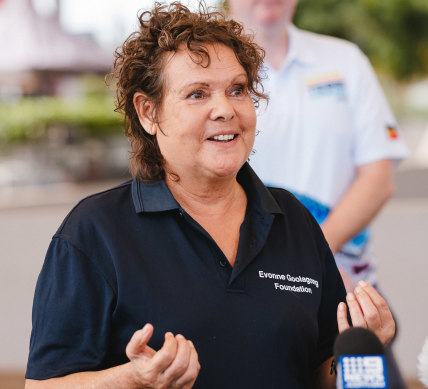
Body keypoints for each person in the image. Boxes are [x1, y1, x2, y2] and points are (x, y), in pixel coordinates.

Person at [24, 3, 396, 388]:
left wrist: (359, 353)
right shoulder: (95, 230)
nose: (224, 109)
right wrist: (134, 379)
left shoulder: (292, 218)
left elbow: (319, 373)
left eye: (237, 90)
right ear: (148, 112)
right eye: (198, 94)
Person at [227, 2, 409, 388]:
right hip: (244, 296)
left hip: (346, 291)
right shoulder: (207, 70)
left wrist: (314, 260)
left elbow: (378, 177)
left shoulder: (344, 60)